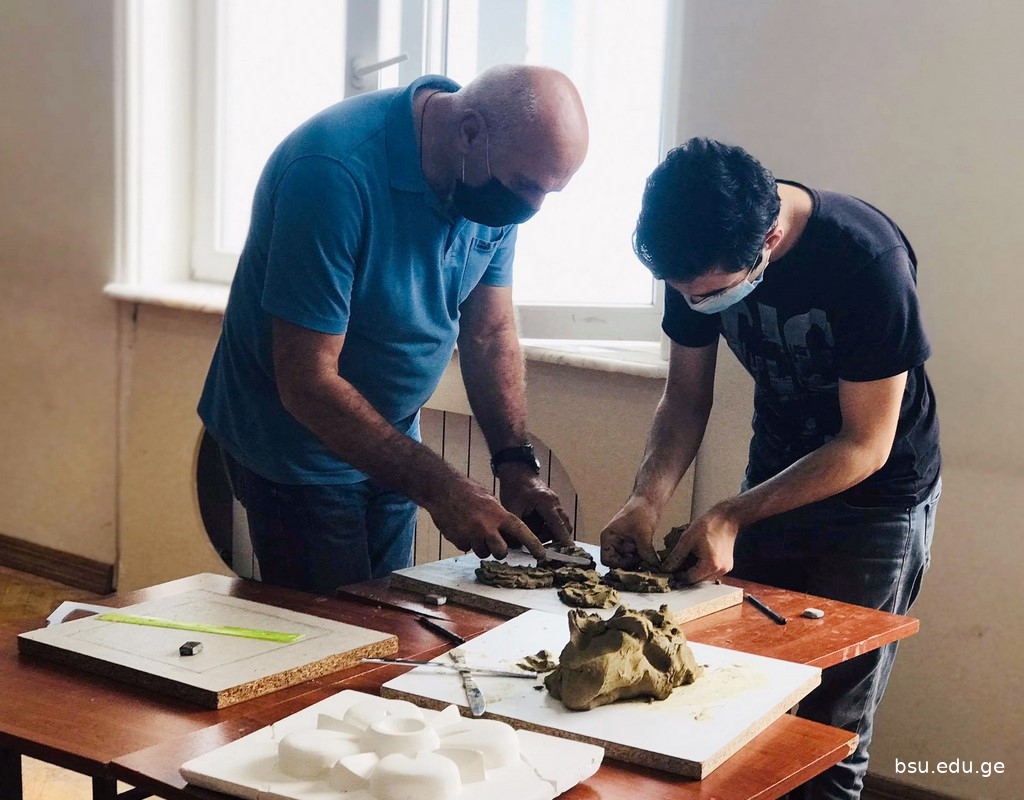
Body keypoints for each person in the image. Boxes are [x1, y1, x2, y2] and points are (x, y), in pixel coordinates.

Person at [601, 138, 940, 800]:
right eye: (685, 294)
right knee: (736, 690)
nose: (697, 305)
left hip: (878, 500)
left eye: (712, 295)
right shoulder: (693, 246)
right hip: (774, 477)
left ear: (771, 240)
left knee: (828, 729)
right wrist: (645, 499)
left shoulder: (866, 261)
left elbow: (865, 443)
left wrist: (732, 513)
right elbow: (685, 397)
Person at [198, 65, 588, 595]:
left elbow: (489, 332)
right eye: (526, 185)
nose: (532, 207)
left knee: (387, 617)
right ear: (470, 132)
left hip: (392, 435)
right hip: (295, 447)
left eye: (549, 193)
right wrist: (444, 488)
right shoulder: (331, 172)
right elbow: (307, 382)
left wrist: (516, 464)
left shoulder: (488, 181)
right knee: (337, 631)